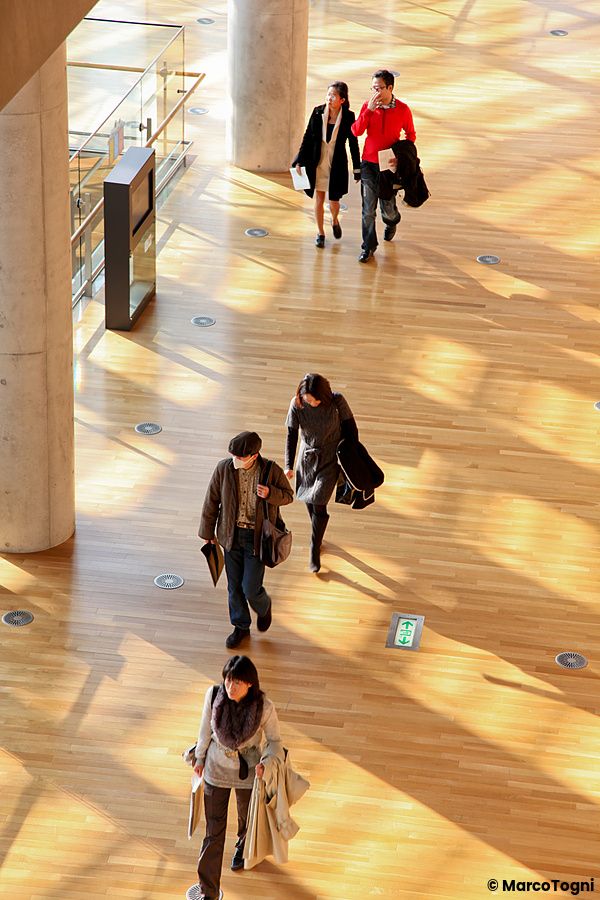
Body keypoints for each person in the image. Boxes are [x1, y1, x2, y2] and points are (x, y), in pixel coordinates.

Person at [192, 655, 283, 900]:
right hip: (215, 769)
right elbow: (204, 730)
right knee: (213, 830)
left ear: (251, 684)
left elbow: (275, 741)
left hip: (248, 773)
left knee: (247, 819)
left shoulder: (264, 706)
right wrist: (199, 759)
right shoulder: (213, 695)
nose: (230, 688)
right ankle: (208, 891)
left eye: (238, 683)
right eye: (228, 680)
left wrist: (265, 762)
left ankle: (242, 846)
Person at [199, 431, 293, 649]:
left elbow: (288, 496)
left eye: (240, 457)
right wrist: (207, 534)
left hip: (257, 538)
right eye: (233, 455)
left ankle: (263, 605)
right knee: (234, 586)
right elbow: (211, 501)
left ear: (254, 455)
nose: (236, 460)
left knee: (250, 587)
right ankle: (241, 626)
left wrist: (270, 493)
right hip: (230, 536)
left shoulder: (270, 471)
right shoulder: (224, 469)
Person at [284, 374, 358, 572]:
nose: (311, 402)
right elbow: (291, 434)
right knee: (309, 500)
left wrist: (352, 461)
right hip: (306, 459)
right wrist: (288, 465)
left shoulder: (337, 402)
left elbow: (352, 431)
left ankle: (314, 548)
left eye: (314, 399)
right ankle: (318, 535)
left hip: (330, 458)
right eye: (307, 398)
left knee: (318, 502)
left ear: (323, 395)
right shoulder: (297, 404)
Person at [351, 69, 416, 263]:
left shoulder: (403, 109)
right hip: (368, 164)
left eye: (379, 88)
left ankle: (392, 221)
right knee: (367, 210)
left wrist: (401, 158)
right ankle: (368, 247)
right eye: (373, 88)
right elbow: (356, 131)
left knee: (387, 208)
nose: (375, 92)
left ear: (390, 88)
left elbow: (410, 136)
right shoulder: (368, 106)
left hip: (388, 166)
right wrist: (368, 111)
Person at [292, 81, 361, 248]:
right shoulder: (317, 112)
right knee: (319, 198)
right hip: (318, 162)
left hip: (336, 164)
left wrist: (357, 168)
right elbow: (307, 137)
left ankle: (335, 220)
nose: (329, 98)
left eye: (333, 95)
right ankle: (320, 233)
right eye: (328, 94)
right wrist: (299, 160)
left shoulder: (349, 117)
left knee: (334, 202)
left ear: (342, 100)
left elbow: (353, 144)